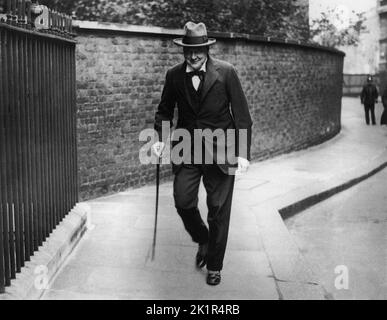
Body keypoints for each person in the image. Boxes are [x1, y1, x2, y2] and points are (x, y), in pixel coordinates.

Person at [152, 21, 252, 285]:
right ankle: (202, 238)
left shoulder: (226, 72)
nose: (194, 56)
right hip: (187, 151)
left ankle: (215, 266)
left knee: (218, 210)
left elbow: (242, 116)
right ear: (183, 50)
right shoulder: (174, 75)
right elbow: (164, 110)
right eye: (189, 51)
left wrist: (242, 153)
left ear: (207, 49)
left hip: (222, 152)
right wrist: (161, 137)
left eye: (199, 50)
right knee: (183, 201)